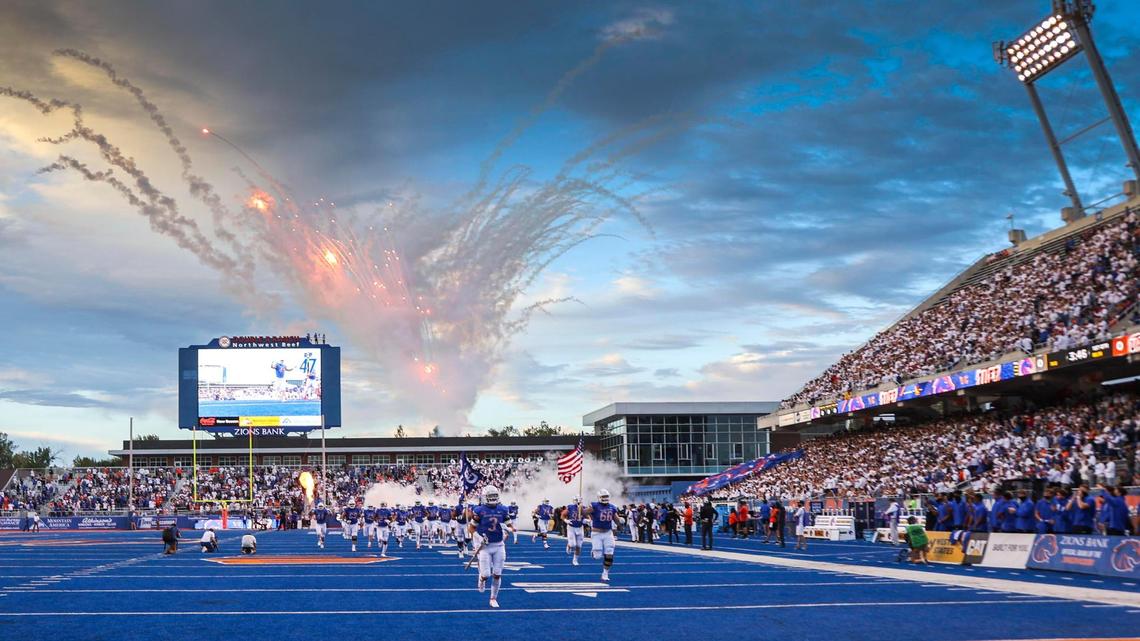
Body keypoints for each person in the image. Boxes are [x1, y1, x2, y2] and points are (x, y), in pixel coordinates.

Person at [469, 485, 514, 609]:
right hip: (485, 547)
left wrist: (508, 529)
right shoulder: (479, 510)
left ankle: (493, 598)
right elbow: (471, 528)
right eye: (490, 496)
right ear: (484, 497)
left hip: (499, 545)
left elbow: (510, 525)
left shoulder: (503, 509)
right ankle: (481, 579)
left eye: (494, 496)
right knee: (486, 574)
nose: (493, 498)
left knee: (497, 573)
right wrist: (479, 538)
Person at [582, 488, 622, 582]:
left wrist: (620, 520)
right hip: (597, 533)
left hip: (608, 533)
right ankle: (594, 552)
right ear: (599, 497)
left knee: (609, 554)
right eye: (603, 496)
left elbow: (616, 519)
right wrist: (580, 506)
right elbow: (584, 513)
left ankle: (605, 573)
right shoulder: (594, 505)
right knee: (597, 556)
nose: (605, 498)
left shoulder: (612, 507)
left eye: (606, 496)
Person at [561, 498, 585, 566]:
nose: (578, 502)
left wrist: (587, 520)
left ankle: (575, 560)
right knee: (572, 544)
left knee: (579, 546)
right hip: (571, 527)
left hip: (580, 528)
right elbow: (562, 515)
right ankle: (569, 545)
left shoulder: (583, 508)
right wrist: (566, 520)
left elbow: (588, 516)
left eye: (579, 500)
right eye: (576, 500)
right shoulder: (570, 507)